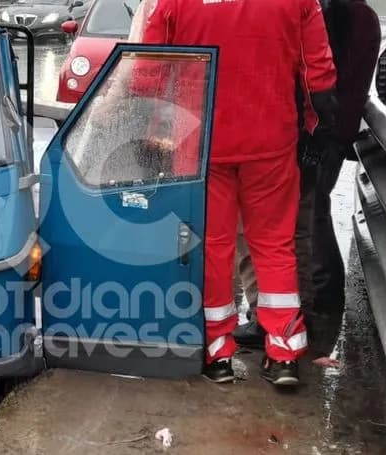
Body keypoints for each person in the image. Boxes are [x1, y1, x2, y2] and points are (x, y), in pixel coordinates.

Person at [133, 0, 338, 385]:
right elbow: (319, 74)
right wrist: (317, 127)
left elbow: (149, 75)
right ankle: (284, 353)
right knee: (275, 245)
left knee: (212, 247)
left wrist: (150, 133)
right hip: (271, 140)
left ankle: (217, 354)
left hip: (199, 144)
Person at [233, 0, 382, 351]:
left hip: (312, 129)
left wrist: (311, 131)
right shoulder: (362, 17)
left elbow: (315, 76)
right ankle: (320, 300)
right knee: (313, 214)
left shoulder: (331, 16)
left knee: (295, 222)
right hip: (332, 129)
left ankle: (297, 310)